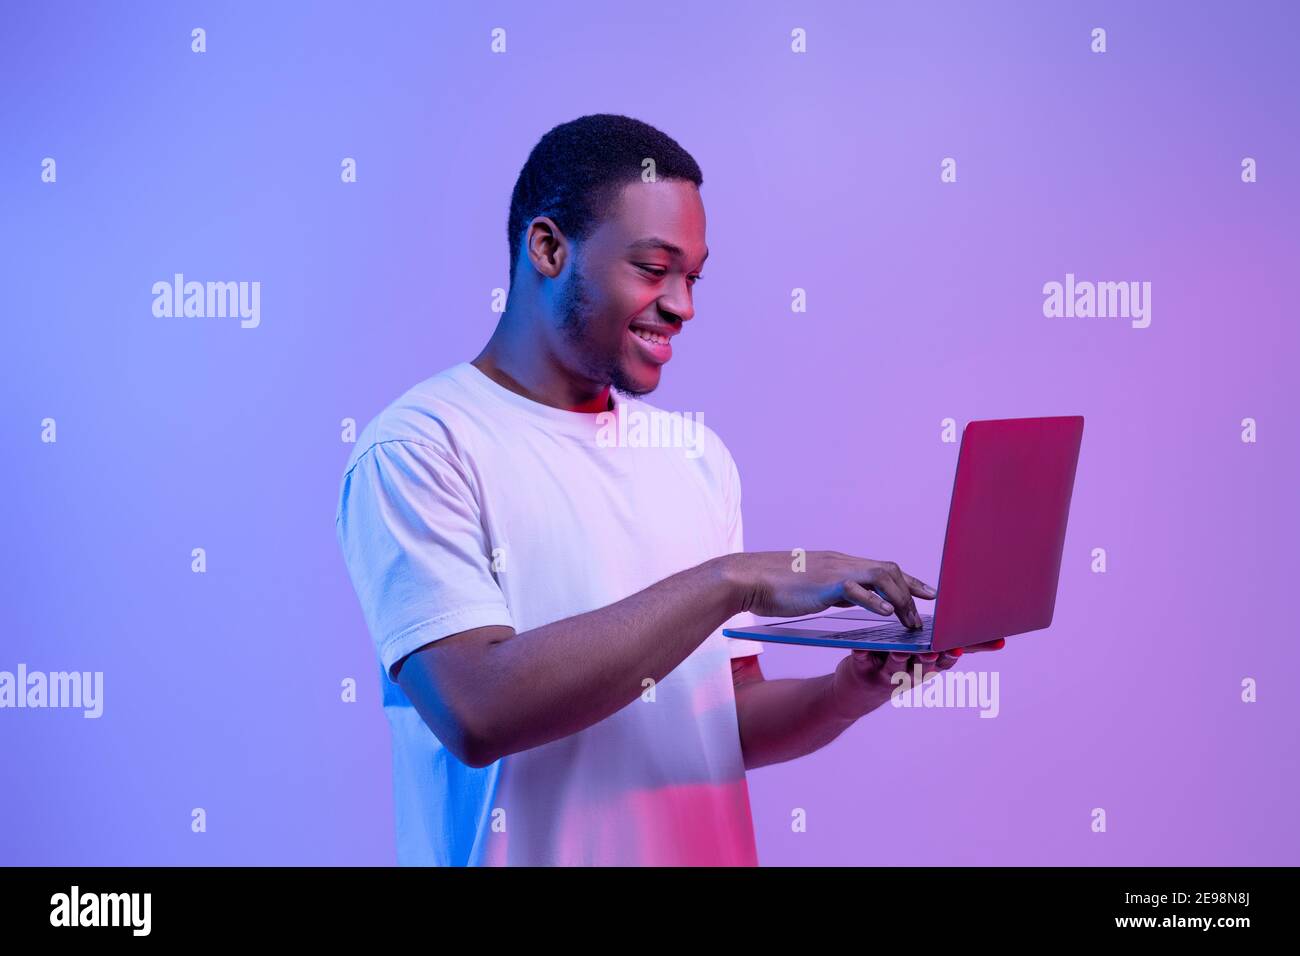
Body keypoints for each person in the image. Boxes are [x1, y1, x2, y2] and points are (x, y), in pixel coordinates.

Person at [335, 113, 1002, 866]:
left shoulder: (696, 456)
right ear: (548, 248)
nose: (684, 305)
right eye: (654, 269)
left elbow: (725, 719)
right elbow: (477, 711)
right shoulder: (421, 447)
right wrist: (734, 580)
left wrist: (851, 688)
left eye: (693, 276)